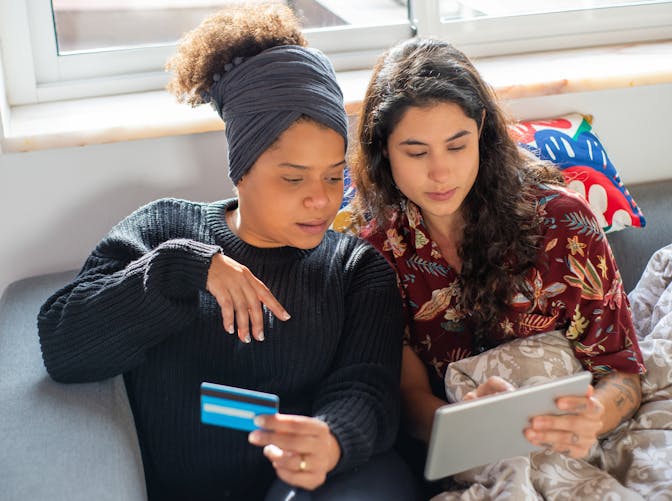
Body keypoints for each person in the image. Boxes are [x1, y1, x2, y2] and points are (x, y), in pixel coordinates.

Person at [37, 4, 415, 500]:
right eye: (293, 178)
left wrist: (332, 439)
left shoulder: (355, 270)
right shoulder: (163, 229)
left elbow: (367, 388)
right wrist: (179, 268)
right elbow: (65, 345)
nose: (321, 199)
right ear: (240, 168)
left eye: (332, 174)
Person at [348, 37, 646, 490]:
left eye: (456, 145)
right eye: (415, 152)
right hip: (464, 459)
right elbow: (408, 399)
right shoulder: (377, 251)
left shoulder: (565, 225)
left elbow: (621, 371)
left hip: (576, 449)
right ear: (383, 150)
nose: (441, 172)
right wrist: (463, 423)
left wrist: (596, 415)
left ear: (482, 129)